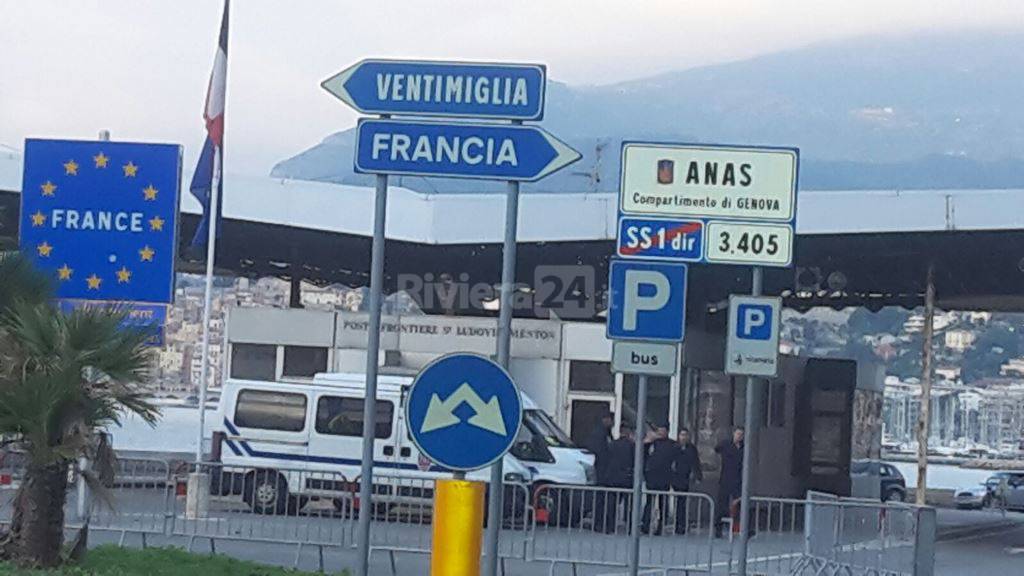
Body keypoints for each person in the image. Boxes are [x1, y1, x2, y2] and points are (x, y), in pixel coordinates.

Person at [641, 423, 676, 535]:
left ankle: (661, 526)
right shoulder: (651, 443)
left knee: (663, 503)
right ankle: (645, 525)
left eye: (662, 431)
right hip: (652, 477)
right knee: (649, 502)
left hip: (664, 477)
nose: (660, 433)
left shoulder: (672, 444)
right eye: (659, 431)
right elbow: (642, 454)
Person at [601, 423, 636, 533]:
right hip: (627, 478)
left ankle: (610, 527)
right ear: (629, 433)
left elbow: (606, 459)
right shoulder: (632, 446)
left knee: (612, 504)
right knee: (629, 505)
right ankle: (630, 528)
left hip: (613, 478)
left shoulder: (612, 444)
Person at [671, 427, 703, 534]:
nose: (683, 437)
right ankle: (675, 524)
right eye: (682, 435)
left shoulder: (691, 448)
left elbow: (696, 462)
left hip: (685, 478)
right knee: (677, 502)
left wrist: (698, 476)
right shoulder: (674, 447)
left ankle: (681, 525)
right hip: (675, 478)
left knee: (682, 502)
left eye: (685, 435)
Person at [714, 427, 744, 537]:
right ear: (734, 434)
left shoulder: (743, 447)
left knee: (739, 503)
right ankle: (719, 528)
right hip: (726, 478)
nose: (739, 436)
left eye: (741, 435)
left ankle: (738, 527)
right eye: (738, 434)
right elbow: (716, 449)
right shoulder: (726, 444)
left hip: (738, 479)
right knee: (722, 504)